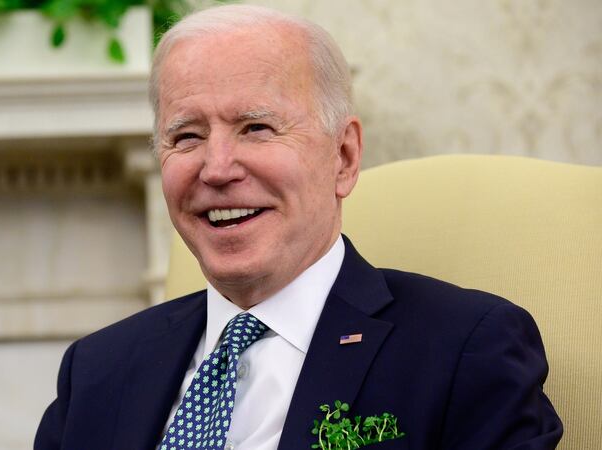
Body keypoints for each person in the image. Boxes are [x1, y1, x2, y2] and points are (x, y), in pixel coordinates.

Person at [35, 5, 562, 450]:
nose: (216, 168)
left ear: (344, 156)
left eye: (257, 128)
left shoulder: (464, 348)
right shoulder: (96, 370)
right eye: (187, 136)